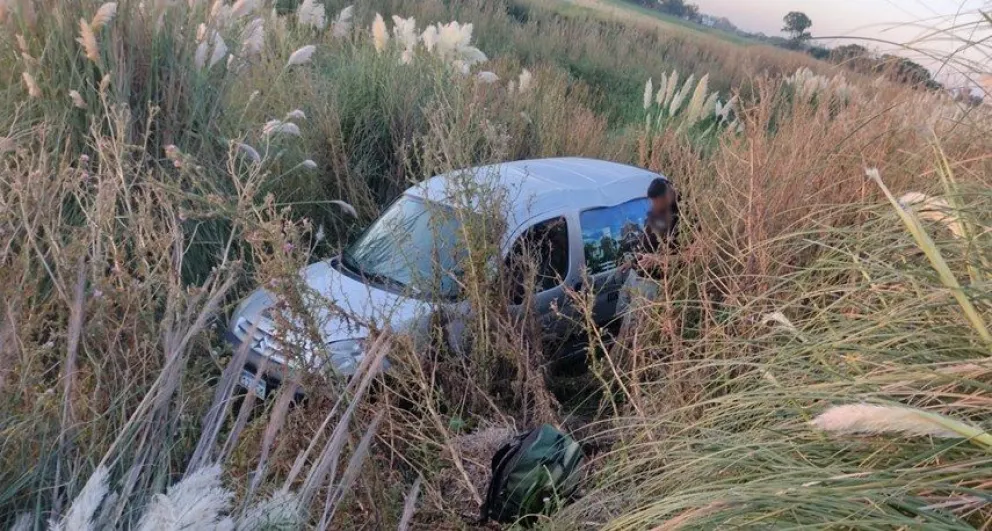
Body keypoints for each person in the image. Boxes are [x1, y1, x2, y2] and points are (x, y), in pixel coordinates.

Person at [615, 177, 680, 336]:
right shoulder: (656, 212)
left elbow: (694, 254)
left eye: (656, 201)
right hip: (635, 275)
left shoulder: (683, 217)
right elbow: (646, 240)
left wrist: (658, 260)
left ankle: (628, 356)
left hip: (650, 283)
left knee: (632, 330)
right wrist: (631, 261)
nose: (653, 205)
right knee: (620, 314)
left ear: (668, 196)